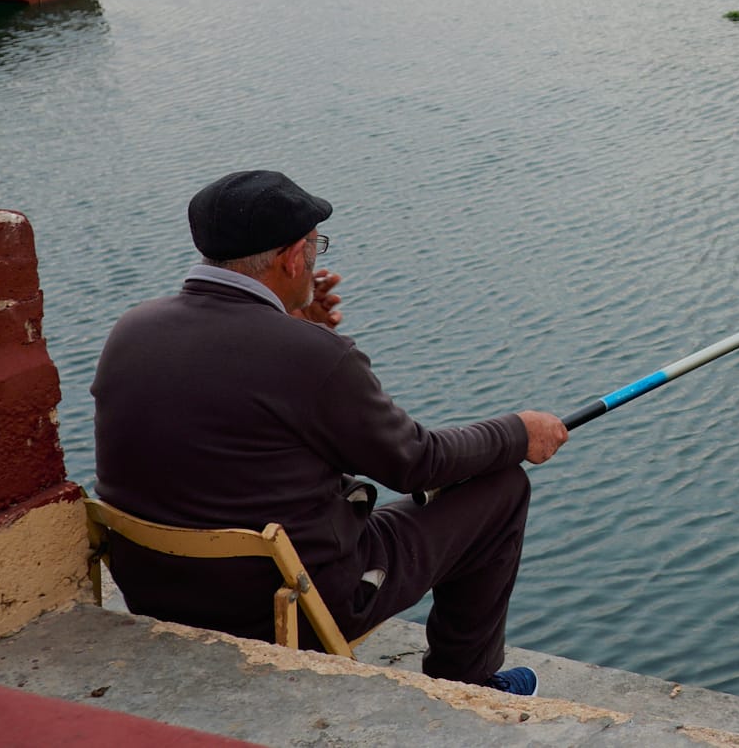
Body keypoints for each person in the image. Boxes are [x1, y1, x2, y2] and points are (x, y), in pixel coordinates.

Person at [91, 170, 568, 694]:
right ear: (292, 258)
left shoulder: (131, 330)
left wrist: (302, 329)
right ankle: (470, 682)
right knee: (499, 490)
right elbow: (413, 462)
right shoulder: (310, 357)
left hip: (159, 590)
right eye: (315, 245)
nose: (316, 259)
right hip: (287, 604)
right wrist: (518, 433)